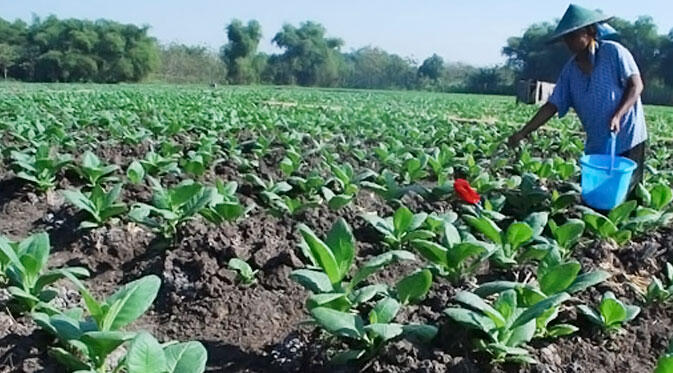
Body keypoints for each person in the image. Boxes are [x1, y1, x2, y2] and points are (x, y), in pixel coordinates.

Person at [508, 4, 648, 196]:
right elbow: (551, 106)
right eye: (566, 37)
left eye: (574, 35)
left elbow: (636, 86)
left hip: (627, 138)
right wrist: (523, 132)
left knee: (627, 195)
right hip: (597, 144)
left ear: (590, 32)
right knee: (596, 197)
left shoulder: (613, 52)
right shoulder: (570, 71)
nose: (569, 42)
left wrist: (618, 115)